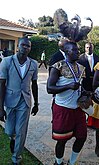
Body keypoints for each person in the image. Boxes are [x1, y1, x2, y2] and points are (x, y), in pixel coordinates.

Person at [0, 37, 39, 165]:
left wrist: (36, 103)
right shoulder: (7, 61)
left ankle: (16, 158)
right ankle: (13, 137)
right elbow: (1, 84)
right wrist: (0, 108)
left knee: (21, 131)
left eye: (28, 46)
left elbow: (34, 84)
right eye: (23, 45)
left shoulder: (33, 64)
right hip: (10, 99)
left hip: (25, 101)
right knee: (10, 130)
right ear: (18, 47)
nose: (25, 48)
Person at [47, 41, 87, 165]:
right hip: (62, 109)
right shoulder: (57, 66)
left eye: (78, 50)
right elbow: (49, 88)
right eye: (74, 50)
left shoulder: (81, 67)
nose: (78, 52)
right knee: (62, 140)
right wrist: (69, 86)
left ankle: (72, 162)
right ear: (66, 52)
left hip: (78, 109)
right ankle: (58, 162)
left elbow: (80, 86)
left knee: (82, 137)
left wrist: (86, 93)